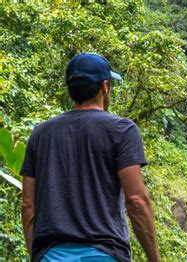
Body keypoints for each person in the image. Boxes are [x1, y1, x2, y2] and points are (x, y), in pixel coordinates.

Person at [20, 53, 160, 262]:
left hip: (50, 255)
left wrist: (36, 256)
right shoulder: (121, 130)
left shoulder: (40, 134)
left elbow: (28, 206)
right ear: (105, 87)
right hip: (104, 254)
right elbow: (136, 201)